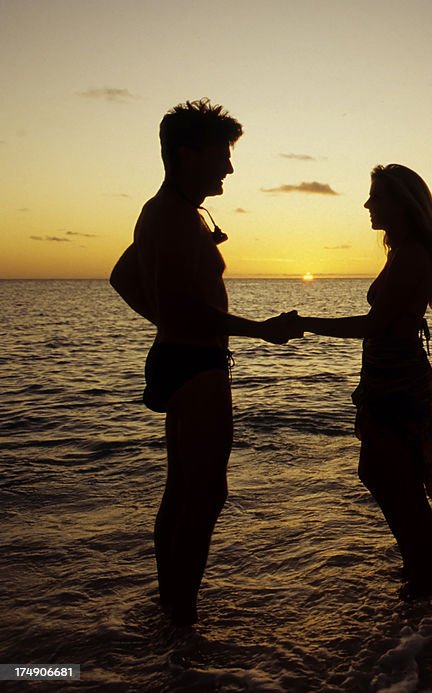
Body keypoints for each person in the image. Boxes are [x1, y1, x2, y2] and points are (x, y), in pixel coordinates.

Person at [109, 99, 301, 626]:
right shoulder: (171, 214)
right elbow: (179, 305)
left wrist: (169, 322)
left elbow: (124, 279)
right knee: (204, 493)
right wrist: (260, 331)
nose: (230, 168)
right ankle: (181, 622)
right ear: (189, 155)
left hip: (185, 355)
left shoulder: (175, 212)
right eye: (223, 155)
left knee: (184, 490)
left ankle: (172, 608)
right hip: (195, 365)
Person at [298, 164, 432, 600]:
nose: (368, 204)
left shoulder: (412, 257)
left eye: (376, 197)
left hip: (399, 386)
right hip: (389, 380)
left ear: (402, 204)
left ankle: (421, 586)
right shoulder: (402, 252)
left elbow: (376, 325)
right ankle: (417, 578)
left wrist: (306, 324)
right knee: (387, 475)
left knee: (395, 481)